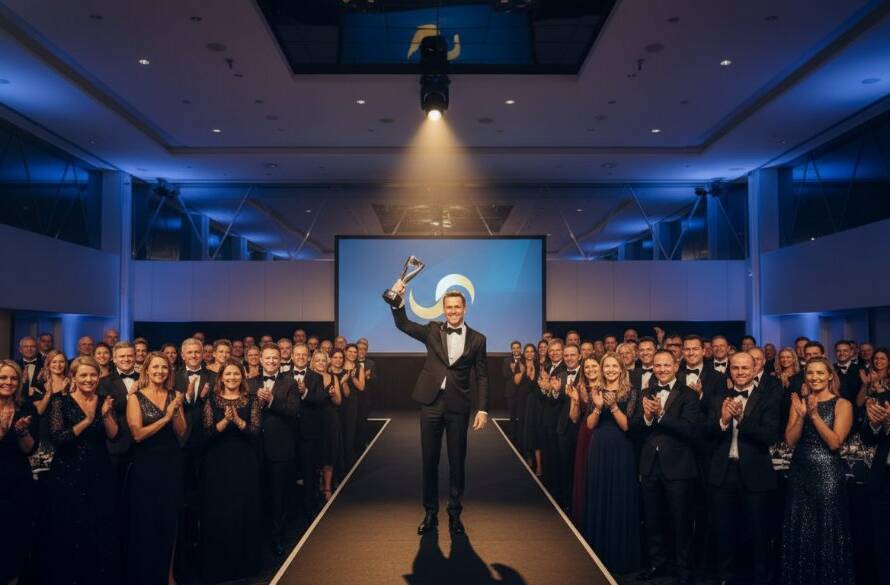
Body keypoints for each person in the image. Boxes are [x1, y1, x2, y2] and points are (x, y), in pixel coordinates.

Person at [389, 280, 489, 536]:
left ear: (464, 308)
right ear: (443, 309)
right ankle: (430, 513)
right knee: (429, 461)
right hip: (431, 403)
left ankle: (455, 515)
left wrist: (482, 409)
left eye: (457, 307)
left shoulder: (478, 339)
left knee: (457, 463)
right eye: (449, 307)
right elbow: (404, 324)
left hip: (459, 406)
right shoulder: (432, 330)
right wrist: (398, 300)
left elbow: (482, 376)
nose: (453, 311)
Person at [707, 352, 780, 585]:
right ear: (729, 369)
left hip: (755, 474)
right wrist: (723, 421)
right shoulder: (718, 398)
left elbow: (769, 435)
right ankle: (726, 577)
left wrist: (742, 419)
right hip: (723, 473)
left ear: (755, 369)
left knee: (759, 532)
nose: (740, 372)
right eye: (735, 368)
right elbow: (705, 435)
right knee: (723, 530)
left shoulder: (768, 397)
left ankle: (761, 578)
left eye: (744, 368)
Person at [781, 356, 854, 585]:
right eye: (810, 373)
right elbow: (791, 441)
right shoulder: (799, 403)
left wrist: (814, 415)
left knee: (826, 527)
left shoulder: (843, 404)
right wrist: (802, 416)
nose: (815, 377)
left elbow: (835, 443)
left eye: (820, 373)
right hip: (800, 471)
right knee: (800, 526)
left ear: (830, 376)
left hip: (828, 474)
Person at [631, 350, 701, 585]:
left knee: (681, 521)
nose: (661, 369)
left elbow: (690, 430)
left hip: (679, 468)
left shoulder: (689, 395)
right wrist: (648, 418)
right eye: (657, 365)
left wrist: (660, 414)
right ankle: (656, 563)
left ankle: (683, 568)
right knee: (652, 520)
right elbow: (635, 427)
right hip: (650, 466)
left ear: (675, 366)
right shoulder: (645, 392)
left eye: (666, 365)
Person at [47, 356, 119, 584]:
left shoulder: (103, 400)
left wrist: (105, 414)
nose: (89, 379)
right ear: (74, 378)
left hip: (99, 470)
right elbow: (59, 438)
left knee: (98, 527)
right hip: (68, 471)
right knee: (69, 527)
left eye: (93, 375)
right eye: (84, 375)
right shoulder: (61, 401)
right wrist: (87, 420)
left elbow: (114, 435)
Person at [126, 352, 187, 585]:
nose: (160, 371)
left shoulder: (174, 395)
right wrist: (166, 416)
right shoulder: (136, 397)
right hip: (146, 466)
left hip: (171, 463)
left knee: (169, 520)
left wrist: (177, 410)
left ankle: (168, 576)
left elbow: (181, 432)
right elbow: (137, 434)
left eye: (164, 368)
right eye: (156, 367)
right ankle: (147, 575)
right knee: (147, 521)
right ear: (147, 370)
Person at [200, 359, 261, 583]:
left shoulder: (251, 400)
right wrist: (225, 422)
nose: (232, 378)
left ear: (242, 378)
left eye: (236, 374)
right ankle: (219, 565)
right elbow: (206, 434)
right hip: (217, 464)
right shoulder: (211, 400)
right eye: (228, 374)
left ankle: (243, 565)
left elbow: (255, 432)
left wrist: (236, 419)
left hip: (244, 463)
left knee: (243, 509)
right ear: (221, 378)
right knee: (219, 510)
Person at [583, 352, 641, 575]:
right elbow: (589, 425)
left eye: (614, 366)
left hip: (621, 449)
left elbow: (627, 426)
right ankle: (597, 553)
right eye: (606, 366)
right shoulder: (595, 390)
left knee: (619, 496)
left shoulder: (631, 392)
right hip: (599, 448)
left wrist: (614, 406)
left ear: (622, 369)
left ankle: (619, 556)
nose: (609, 370)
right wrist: (598, 407)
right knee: (599, 494)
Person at [0, 360, 38, 585]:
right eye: (3, 378)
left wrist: (22, 432)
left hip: (17, 482)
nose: (8, 382)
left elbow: (30, 449)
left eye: (13, 378)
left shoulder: (26, 407)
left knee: (14, 539)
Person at [862, 378, 890, 585]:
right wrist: (876, 424)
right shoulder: (885, 399)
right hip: (883, 480)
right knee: (882, 543)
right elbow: (868, 438)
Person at [570, 355, 601, 526]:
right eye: (587, 367)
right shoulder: (579, 387)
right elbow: (574, 418)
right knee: (584, 475)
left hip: (601, 435)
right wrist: (575, 401)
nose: (590, 370)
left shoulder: (607, 386)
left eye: (594, 366)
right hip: (584, 434)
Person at [311, 350, 342, 502]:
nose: (321, 363)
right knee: (316, 453)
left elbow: (338, 402)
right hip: (313, 420)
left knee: (329, 453)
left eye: (324, 360)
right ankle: (315, 486)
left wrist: (333, 394)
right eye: (318, 360)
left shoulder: (333, 377)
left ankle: (327, 487)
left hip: (330, 419)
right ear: (313, 362)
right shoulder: (308, 377)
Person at [517, 344, 543, 475]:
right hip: (523, 402)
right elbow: (517, 383)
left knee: (535, 431)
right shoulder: (520, 365)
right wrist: (523, 371)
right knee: (525, 430)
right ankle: (528, 459)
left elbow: (536, 385)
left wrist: (532, 371)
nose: (529, 353)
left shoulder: (540, 366)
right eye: (526, 351)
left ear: (535, 353)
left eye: (531, 351)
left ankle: (539, 465)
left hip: (535, 402)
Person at [502, 341, 523, 442]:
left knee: (522, 415)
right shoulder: (506, 361)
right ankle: (513, 436)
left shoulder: (525, 359)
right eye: (514, 348)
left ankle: (521, 435)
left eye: (517, 347)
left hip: (522, 392)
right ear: (511, 349)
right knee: (512, 415)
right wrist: (513, 370)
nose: (516, 350)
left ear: (520, 349)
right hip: (510, 392)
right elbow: (505, 375)